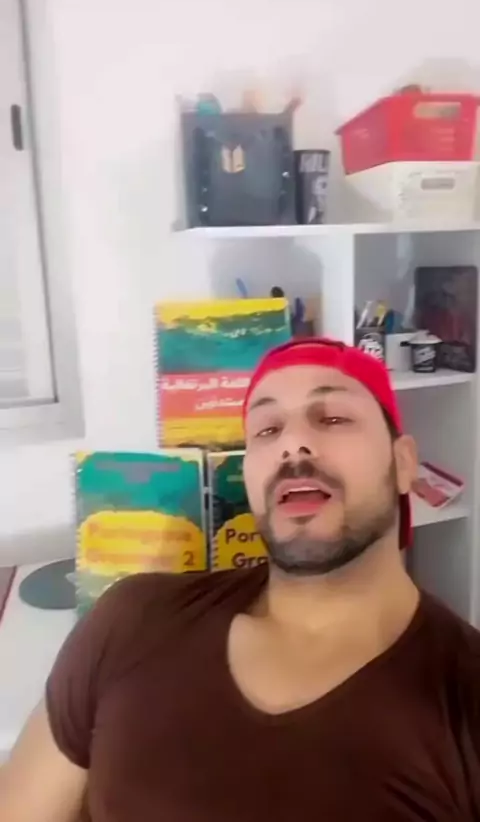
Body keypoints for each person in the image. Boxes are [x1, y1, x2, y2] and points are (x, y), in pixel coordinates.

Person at [2, 337, 480, 821]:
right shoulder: (129, 620)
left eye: (333, 418)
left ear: (403, 463)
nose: (291, 444)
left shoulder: (464, 696)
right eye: (267, 429)